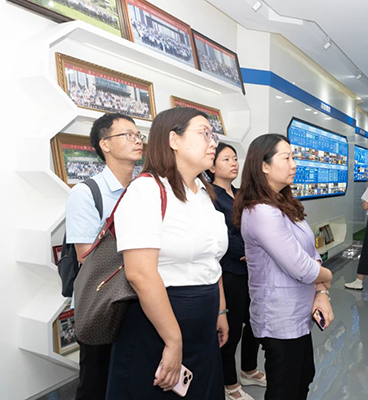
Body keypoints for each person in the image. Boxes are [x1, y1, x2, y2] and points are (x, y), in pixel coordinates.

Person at [106, 107, 229, 399]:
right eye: (204, 134)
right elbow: (140, 274)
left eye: (213, 135)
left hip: (204, 319)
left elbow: (211, 260)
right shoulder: (147, 190)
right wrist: (173, 340)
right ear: (174, 140)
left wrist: (221, 309)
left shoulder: (203, 193)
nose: (213, 142)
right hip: (159, 323)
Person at [233, 134, 334, 400]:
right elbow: (301, 266)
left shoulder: (283, 203)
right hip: (279, 317)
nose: (294, 164)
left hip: (299, 313)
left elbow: (311, 251)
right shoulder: (261, 211)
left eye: (293, 157)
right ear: (264, 166)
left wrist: (321, 291)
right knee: (285, 389)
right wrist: (328, 276)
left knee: (303, 376)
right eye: (286, 158)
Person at [65, 113, 144, 400]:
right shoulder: (87, 193)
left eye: (138, 135)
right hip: (102, 303)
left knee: (131, 378)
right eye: (127, 134)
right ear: (105, 144)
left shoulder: (143, 189)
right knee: (96, 383)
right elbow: (86, 256)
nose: (137, 140)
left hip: (138, 296)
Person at [207, 143, 266, 400]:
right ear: (212, 167)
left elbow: (256, 226)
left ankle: (249, 369)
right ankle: (229, 383)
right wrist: (247, 251)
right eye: (226, 159)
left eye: (234, 158)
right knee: (230, 330)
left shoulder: (242, 193)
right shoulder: (210, 196)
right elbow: (221, 234)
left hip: (252, 269)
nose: (233, 163)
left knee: (255, 321)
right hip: (230, 271)